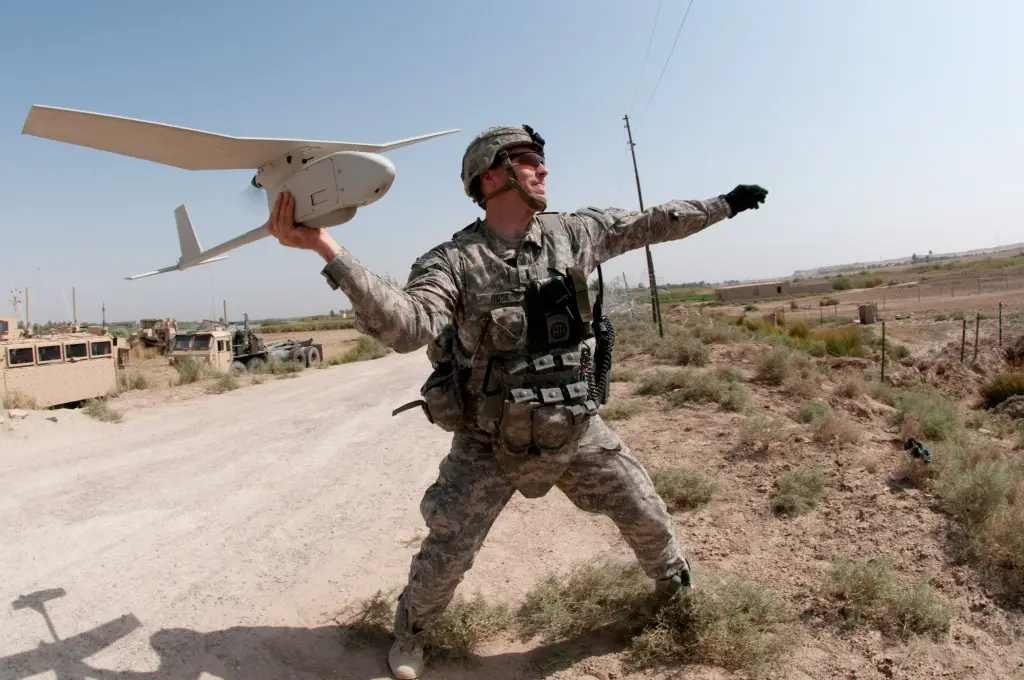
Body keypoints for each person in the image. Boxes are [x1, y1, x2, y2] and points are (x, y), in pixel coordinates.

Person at [267, 124, 768, 679]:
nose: (544, 169)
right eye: (529, 160)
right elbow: (407, 325)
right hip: (488, 440)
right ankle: (411, 633)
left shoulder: (576, 234)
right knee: (448, 547)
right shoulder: (453, 262)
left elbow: (651, 224)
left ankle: (676, 593)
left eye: (541, 161)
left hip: (575, 426)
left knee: (645, 510)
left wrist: (724, 204)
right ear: (491, 175)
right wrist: (323, 246)